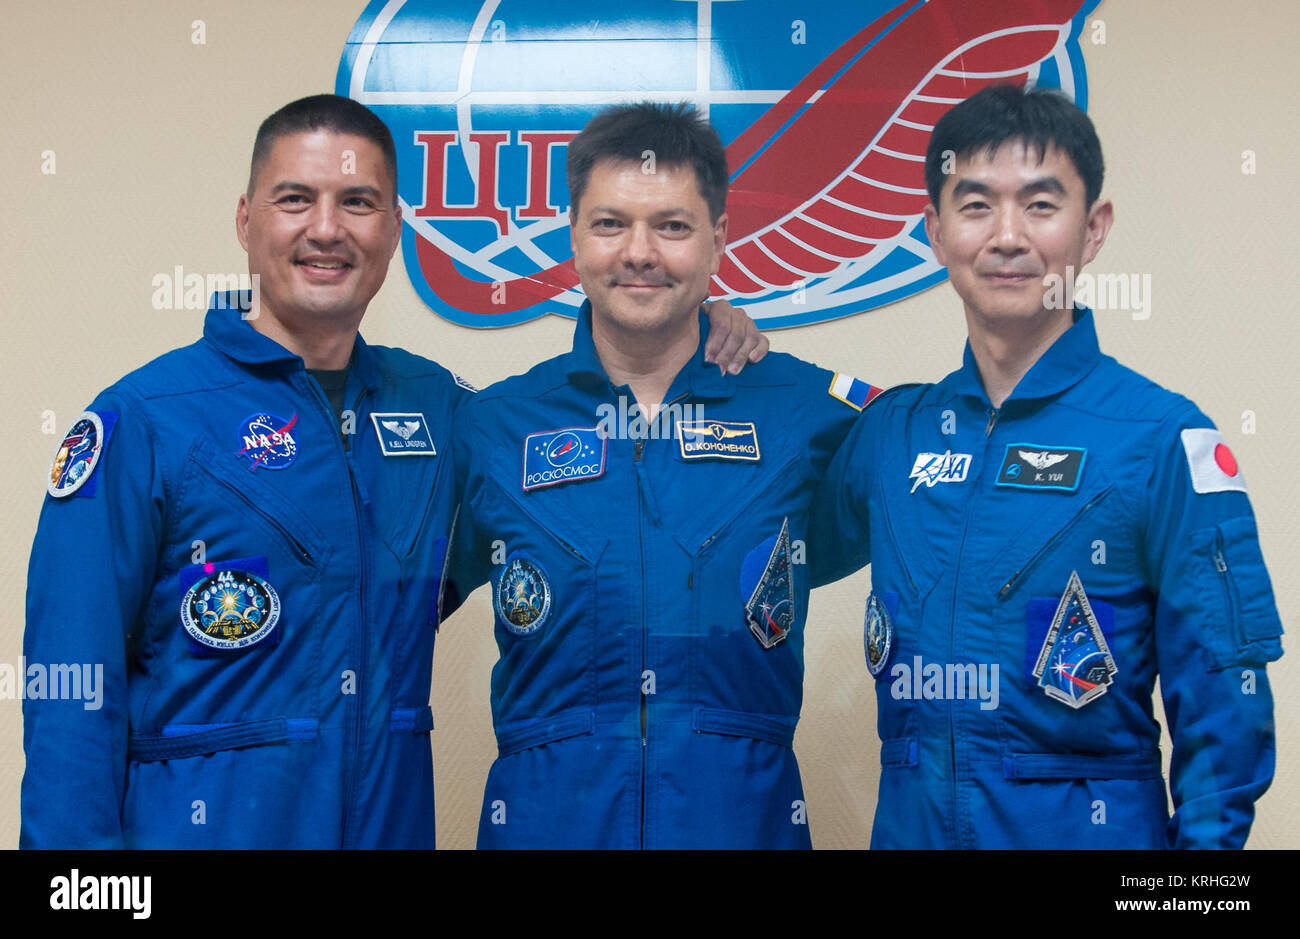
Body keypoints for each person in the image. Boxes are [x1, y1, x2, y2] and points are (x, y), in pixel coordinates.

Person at [19, 92, 770, 849]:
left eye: (358, 202)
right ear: (247, 221)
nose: (326, 228)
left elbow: (589, 468)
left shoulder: (444, 413)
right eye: (295, 200)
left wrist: (700, 324)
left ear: (394, 228)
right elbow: (68, 702)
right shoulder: (146, 421)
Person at [813, 84, 1284, 849]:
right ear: (934, 229)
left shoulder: (1160, 438)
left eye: (1040, 204)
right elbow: (760, 531)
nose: (1007, 236)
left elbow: (1225, 706)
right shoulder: (892, 435)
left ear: (1092, 228)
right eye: (975, 205)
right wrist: (717, 339)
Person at [452, 102, 877, 849]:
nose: (639, 252)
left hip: (741, 825)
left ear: (717, 242)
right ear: (573, 237)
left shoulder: (804, 410)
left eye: (673, 227)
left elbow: (947, 441)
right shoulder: (495, 426)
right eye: (610, 223)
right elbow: (378, 607)